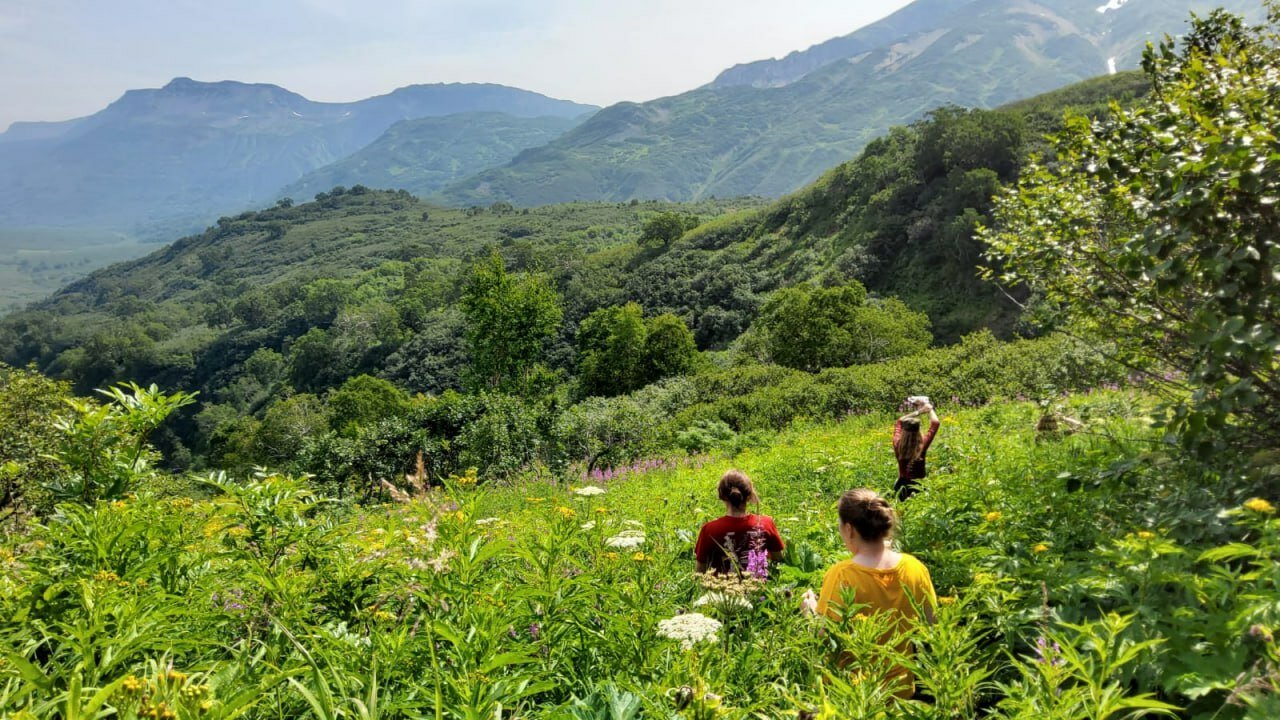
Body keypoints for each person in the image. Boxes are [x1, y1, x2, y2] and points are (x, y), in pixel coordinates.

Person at [810, 488, 936, 698]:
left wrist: (810, 611)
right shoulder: (914, 567)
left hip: (855, 694)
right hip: (901, 689)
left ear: (849, 529)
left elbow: (824, 637)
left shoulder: (842, 575)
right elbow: (932, 624)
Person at [694, 470, 784, 575]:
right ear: (749, 495)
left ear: (721, 495)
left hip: (720, 590)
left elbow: (699, 572)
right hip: (759, 588)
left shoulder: (708, 530)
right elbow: (779, 559)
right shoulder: (765, 523)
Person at [893, 399, 940, 500]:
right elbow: (935, 423)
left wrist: (920, 411)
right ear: (918, 430)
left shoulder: (897, 443)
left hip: (902, 486)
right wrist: (929, 408)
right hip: (919, 486)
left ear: (903, 431)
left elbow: (899, 421)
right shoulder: (922, 445)